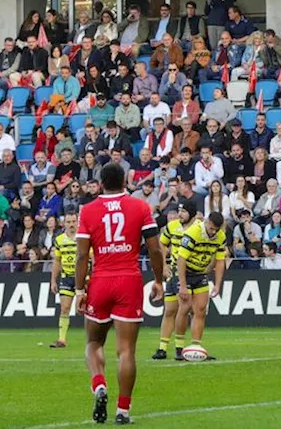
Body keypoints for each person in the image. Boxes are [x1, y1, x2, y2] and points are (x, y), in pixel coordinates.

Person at [73, 162, 166, 425]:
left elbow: (82, 255)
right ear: (125, 182)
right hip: (129, 280)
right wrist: (158, 280)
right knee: (126, 351)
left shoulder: (88, 211)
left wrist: (80, 290)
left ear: (100, 183)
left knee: (93, 343)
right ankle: (123, 411)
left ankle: (99, 384)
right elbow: (155, 249)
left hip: (101, 280)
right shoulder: (139, 207)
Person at [174, 211, 228, 357]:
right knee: (184, 308)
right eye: (211, 228)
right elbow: (181, 259)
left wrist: (217, 284)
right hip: (184, 272)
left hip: (200, 273)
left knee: (201, 310)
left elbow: (220, 260)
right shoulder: (193, 232)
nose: (213, 232)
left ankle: (195, 348)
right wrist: (183, 285)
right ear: (206, 222)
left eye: (216, 230)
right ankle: (179, 348)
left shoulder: (220, 236)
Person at [152, 202, 197, 361]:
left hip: (187, 272)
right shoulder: (172, 226)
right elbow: (162, 245)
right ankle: (162, 348)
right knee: (170, 310)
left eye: (183, 211)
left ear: (191, 213)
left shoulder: (198, 227)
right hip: (172, 272)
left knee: (184, 309)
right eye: (179, 211)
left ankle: (179, 347)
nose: (180, 214)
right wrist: (164, 265)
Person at [49, 213, 79, 348]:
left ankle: (94, 340)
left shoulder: (83, 238)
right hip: (66, 278)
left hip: (84, 278)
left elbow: (93, 258)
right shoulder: (59, 239)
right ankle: (62, 339)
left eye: (73, 221)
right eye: (68, 222)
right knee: (65, 308)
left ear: (78, 222)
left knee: (90, 310)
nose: (71, 224)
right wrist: (53, 281)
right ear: (64, 223)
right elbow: (57, 261)